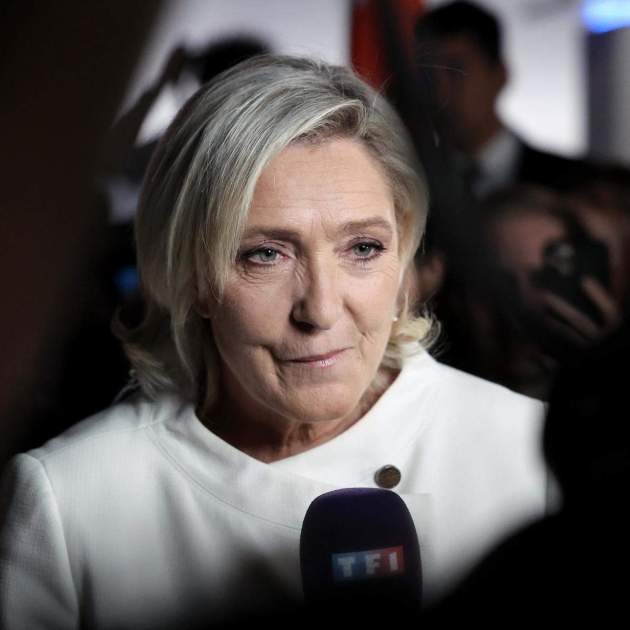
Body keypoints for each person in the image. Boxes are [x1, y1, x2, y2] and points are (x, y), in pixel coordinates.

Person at [0, 55, 550, 629]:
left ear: (404, 254)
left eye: (363, 248)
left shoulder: (532, 451)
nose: (321, 309)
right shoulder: (70, 499)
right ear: (192, 275)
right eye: (265, 254)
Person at [414, 1, 588, 198]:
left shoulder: (573, 185)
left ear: (499, 75)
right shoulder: (409, 184)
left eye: (456, 71)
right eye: (427, 75)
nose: (440, 90)